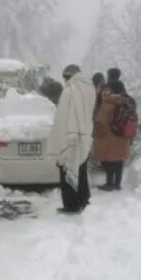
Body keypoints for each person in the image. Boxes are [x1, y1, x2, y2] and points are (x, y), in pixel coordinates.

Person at [48, 64, 96, 213]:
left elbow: (62, 118)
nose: (64, 81)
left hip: (70, 138)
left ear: (68, 76)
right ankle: (83, 199)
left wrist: (59, 137)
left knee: (67, 169)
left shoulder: (69, 92)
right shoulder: (90, 90)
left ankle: (71, 205)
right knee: (81, 169)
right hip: (85, 136)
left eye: (65, 77)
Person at [93, 80, 132, 191]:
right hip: (122, 137)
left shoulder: (106, 104)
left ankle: (109, 183)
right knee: (119, 162)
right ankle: (117, 184)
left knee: (109, 161)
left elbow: (101, 123)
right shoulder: (125, 102)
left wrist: (96, 134)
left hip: (108, 138)